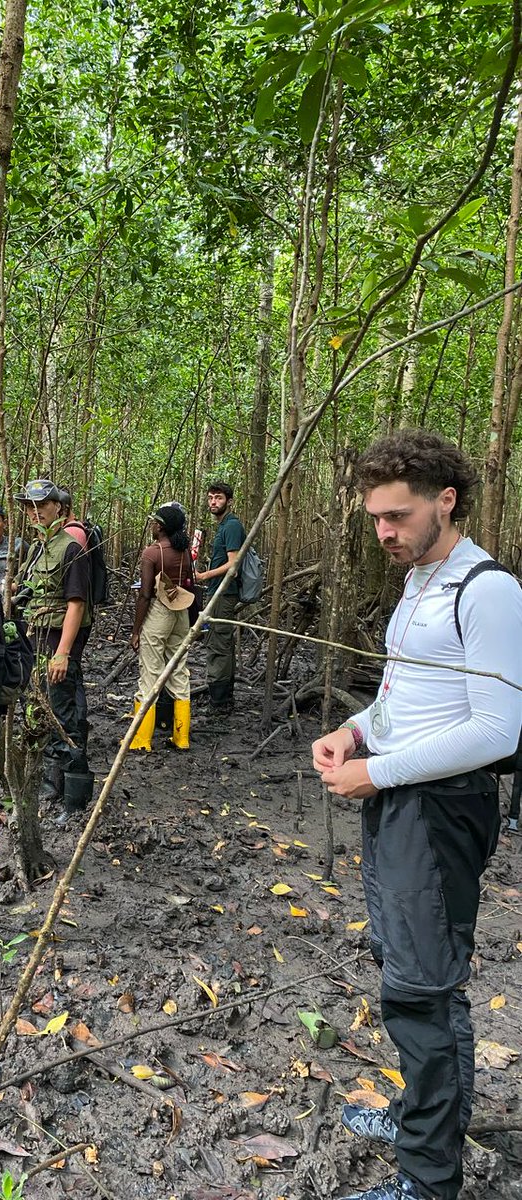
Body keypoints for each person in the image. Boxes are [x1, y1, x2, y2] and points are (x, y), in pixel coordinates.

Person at [310, 430, 522, 1200]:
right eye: (374, 518)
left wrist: (378, 772)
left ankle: (428, 1181)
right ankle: (424, 1114)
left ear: (447, 500)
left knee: (420, 990)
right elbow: (406, 700)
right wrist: (354, 732)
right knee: (415, 970)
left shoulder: (487, 590)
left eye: (396, 516)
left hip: (439, 810)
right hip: (399, 794)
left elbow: (499, 730)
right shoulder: (418, 584)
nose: (384, 533)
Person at [15, 478, 94, 819]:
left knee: (66, 716)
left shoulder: (71, 547)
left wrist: (63, 652)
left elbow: (76, 604)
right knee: (39, 710)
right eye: (29, 507)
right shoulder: (37, 548)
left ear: (58, 507)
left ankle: (75, 801)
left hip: (58, 641)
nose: (35, 512)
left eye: (42, 505)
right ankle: (52, 783)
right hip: (35, 638)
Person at [128, 503, 195, 752]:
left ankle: (142, 741)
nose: (153, 525)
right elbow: (190, 581)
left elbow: (145, 594)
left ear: (162, 527)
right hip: (182, 613)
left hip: (159, 612)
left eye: (156, 522)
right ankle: (182, 738)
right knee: (179, 671)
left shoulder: (152, 553)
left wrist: (136, 630)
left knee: (150, 674)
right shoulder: (184, 550)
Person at [194, 480, 245, 710]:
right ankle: (222, 697)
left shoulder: (232, 526)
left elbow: (233, 564)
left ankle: (220, 701)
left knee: (218, 644)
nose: (213, 502)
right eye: (211, 498)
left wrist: (204, 576)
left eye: (219, 498)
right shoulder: (223, 526)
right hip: (218, 591)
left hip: (224, 594)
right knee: (220, 642)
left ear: (229, 501)